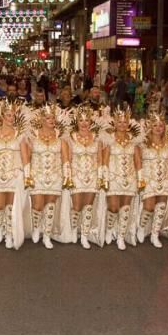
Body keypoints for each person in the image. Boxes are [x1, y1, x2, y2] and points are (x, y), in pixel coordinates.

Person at [0, 100, 28, 249]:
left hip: (14, 174)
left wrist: (27, 175)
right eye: (8, 115)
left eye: (12, 115)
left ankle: (9, 233)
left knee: (10, 206)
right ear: (2, 116)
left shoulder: (20, 135)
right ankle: (0, 228)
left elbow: (25, 156)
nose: (11, 118)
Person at [136, 115, 168, 248]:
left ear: (164, 128)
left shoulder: (167, 144)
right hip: (149, 178)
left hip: (165, 178)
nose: (158, 128)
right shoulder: (142, 143)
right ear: (150, 127)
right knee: (149, 206)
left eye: (160, 126)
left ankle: (154, 234)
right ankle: (141, 227)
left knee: (161, 206)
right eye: (155, 125)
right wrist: (140, 178)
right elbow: (138, 161)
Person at [25, 104, 65, 249]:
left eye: (53, 117)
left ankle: (47, 235)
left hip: (54, 175)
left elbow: (65, 157)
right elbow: (27, 156)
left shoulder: (60, 135)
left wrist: (67, 175)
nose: (51, 120)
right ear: (42, 119)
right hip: (37, 175)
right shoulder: (32, 134)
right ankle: (36, 228)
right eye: (48, 118)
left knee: (50, 205)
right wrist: (27, 174)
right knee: (37, 205)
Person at [64, 106, 103, 249]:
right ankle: (74, 230)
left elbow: (99, 159)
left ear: (91, 121)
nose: (84, 123)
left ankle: (85, 235)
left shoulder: (97, 138)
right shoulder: (70, 137)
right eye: (81, 120)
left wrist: (100, 177)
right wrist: (68, 176)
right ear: (77, 122)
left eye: (87, 120)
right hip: (77, 175)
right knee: (77, 206)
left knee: (88, 206)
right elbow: (67, 158)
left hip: (92, 176)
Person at [104, 107, 142, 250]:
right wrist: (104, 177)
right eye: (119, 122)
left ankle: (121, 236)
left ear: (128, 123)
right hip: (114, 178)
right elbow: (105, 160)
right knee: (113, 207)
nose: (122, 125)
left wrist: (140, 178)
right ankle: (109, 230)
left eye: (125, 122)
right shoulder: (108, 139)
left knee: (125, 208)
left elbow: (138, 161)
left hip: (130, 178)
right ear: (115, 123)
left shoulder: (134, 140)